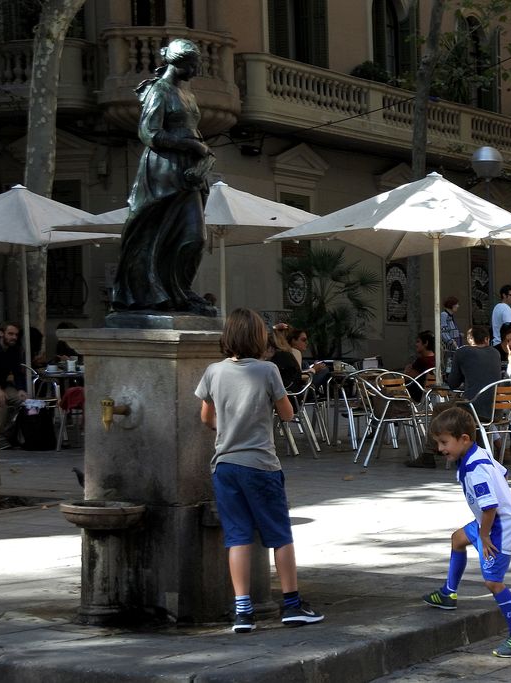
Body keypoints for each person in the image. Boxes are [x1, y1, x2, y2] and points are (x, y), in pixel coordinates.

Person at [194, 308, 325, 633]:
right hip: (261, 465)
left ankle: (243, 612)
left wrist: (225, 426)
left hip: (224, 466)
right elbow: (288, 413)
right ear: (258, 338)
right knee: (279, 535)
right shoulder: (267, 371)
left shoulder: (213, 371)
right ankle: (292, 605)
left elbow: (205, 418)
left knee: (237, 537)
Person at [111, 38, 216, 315]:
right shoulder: (159, 90)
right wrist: (190, 145)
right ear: (178, 63)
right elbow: (148, 133)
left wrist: (202, 151)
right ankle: (151, 294)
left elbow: (189, 129)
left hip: (189, 172)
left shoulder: (188, 95)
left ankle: (179, 291)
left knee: (195, 238)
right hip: (163, 171)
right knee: (153, 233)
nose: (195, 72)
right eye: (192, 66)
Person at [421, 407, 511, 658]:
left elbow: (490, 506)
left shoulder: (474, 469)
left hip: (497, 526)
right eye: (438, 443)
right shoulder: (476, 455)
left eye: (443, 443)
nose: (440, 449)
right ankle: (448, 593)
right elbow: (503, 473)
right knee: (457, 539)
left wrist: (484, 535)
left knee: (493, 581)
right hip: (490, 521)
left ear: (464, 439)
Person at [448, 326, 502, 419]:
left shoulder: (462, 352)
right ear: (487, 339)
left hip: (471, 410)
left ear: (470, 339)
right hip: (496, 412)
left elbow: (453, 384)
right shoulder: (495, 353)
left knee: (439, 408)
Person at [404, 330, 437, 400]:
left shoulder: (422, 361)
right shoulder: (437, 360)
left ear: (426, 343)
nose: (416, 344)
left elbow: (407, 377)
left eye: (418, 341)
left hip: (418, 394)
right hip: (434, 393)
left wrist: (407, 370)